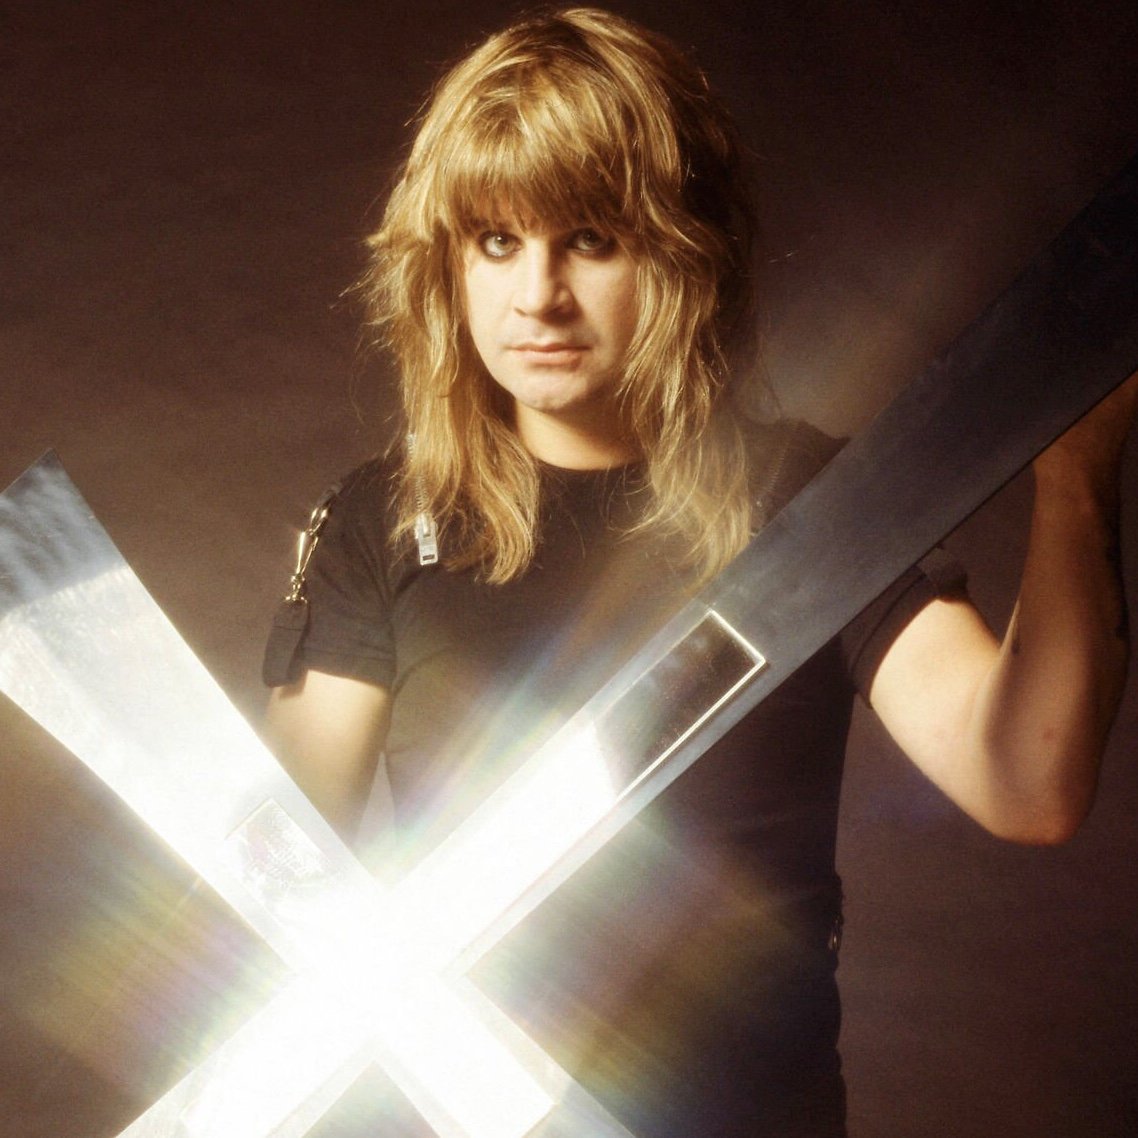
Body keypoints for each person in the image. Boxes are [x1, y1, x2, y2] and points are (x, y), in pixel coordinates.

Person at [261, 8, 1136, 1136]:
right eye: (497, 241)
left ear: (680, 254)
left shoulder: (815, 507)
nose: (538, 296)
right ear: (447, 266)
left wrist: (1076, 474)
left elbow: (1026, 781)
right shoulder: (382, 523)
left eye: (590, 238)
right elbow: (281, 877)